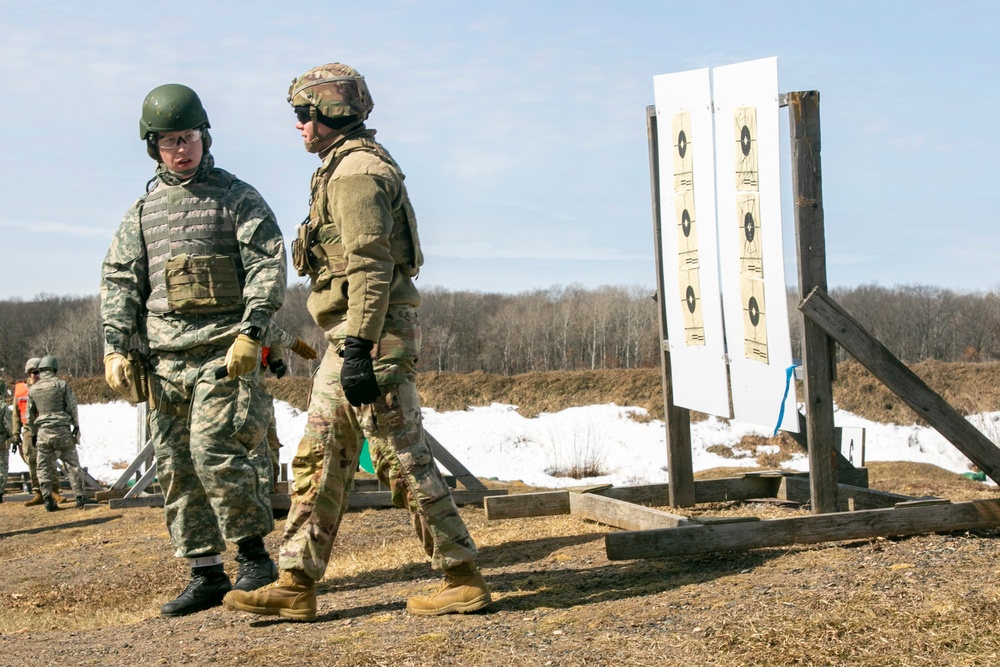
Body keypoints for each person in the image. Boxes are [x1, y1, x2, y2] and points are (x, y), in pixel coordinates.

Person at [224, 63, 490, 622]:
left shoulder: (354, 174)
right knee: (319, 458)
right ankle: (295, 582)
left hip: (370, 337)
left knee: (399, 457)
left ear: (330, 112)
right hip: (348, 336)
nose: (298, 125)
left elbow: (370, 269)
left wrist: (358, 350)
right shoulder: (340, 167)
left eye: (304, 113)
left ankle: (462, 577)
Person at [100, 83, 287, 617]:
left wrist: (253, 331)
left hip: (223, 353)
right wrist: (116, 347)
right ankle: (205, 571)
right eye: (168, 142)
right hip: (164, 362)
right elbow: (120, 281)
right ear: (153, 148)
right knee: (177, 465)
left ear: (204, 137)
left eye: (187, 138)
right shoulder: (142, 212)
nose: (180, 150)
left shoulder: (237, 198)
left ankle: (255, 560)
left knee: (215, 451)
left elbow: (267, 265)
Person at [27, 355, 85, 511]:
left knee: (43, 467)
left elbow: (30, 415)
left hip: (43, 432)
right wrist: (76, 426)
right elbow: (72, 407)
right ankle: (79, 496)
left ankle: (47, 498)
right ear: (54, 368)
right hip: (62, 430)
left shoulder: (33, 389)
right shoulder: (61, 385)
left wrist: (33, 434)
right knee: (72, 464)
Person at [12, 357, 60, 506]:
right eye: (34, 372)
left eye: (39, 371)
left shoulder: (47, 387)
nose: (37, 375)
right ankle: (38, 492)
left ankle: (54, 491)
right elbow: (15, 414)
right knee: (32, 461)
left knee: (50, 460)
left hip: (44, 427)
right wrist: (15, 434)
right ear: (28, 373)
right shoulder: (20, 390)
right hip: (28, 430)